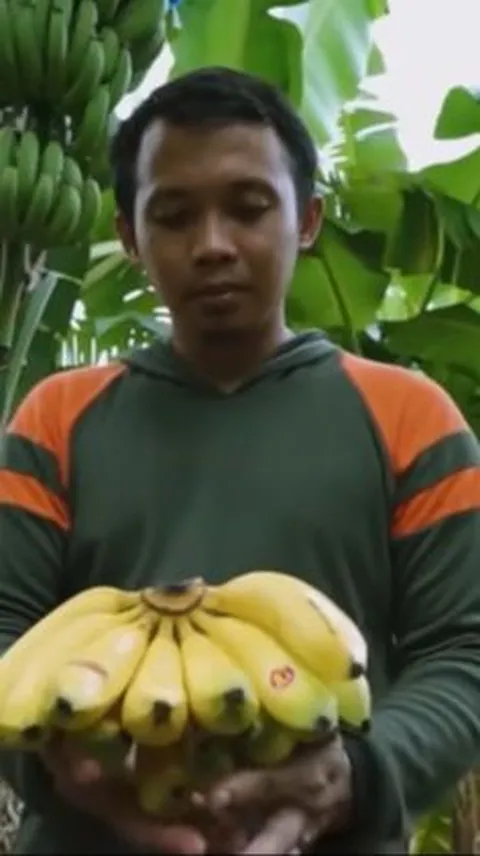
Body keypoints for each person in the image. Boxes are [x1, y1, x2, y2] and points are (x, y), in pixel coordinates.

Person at [0, 65, 479, 856]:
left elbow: (461, 651)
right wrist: (61, 771)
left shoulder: (410, 419)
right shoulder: (56, 420)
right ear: (129, 236)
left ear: (307, 220)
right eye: (175, 216)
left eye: (249, 208)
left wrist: (356, 777)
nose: (214, 245)